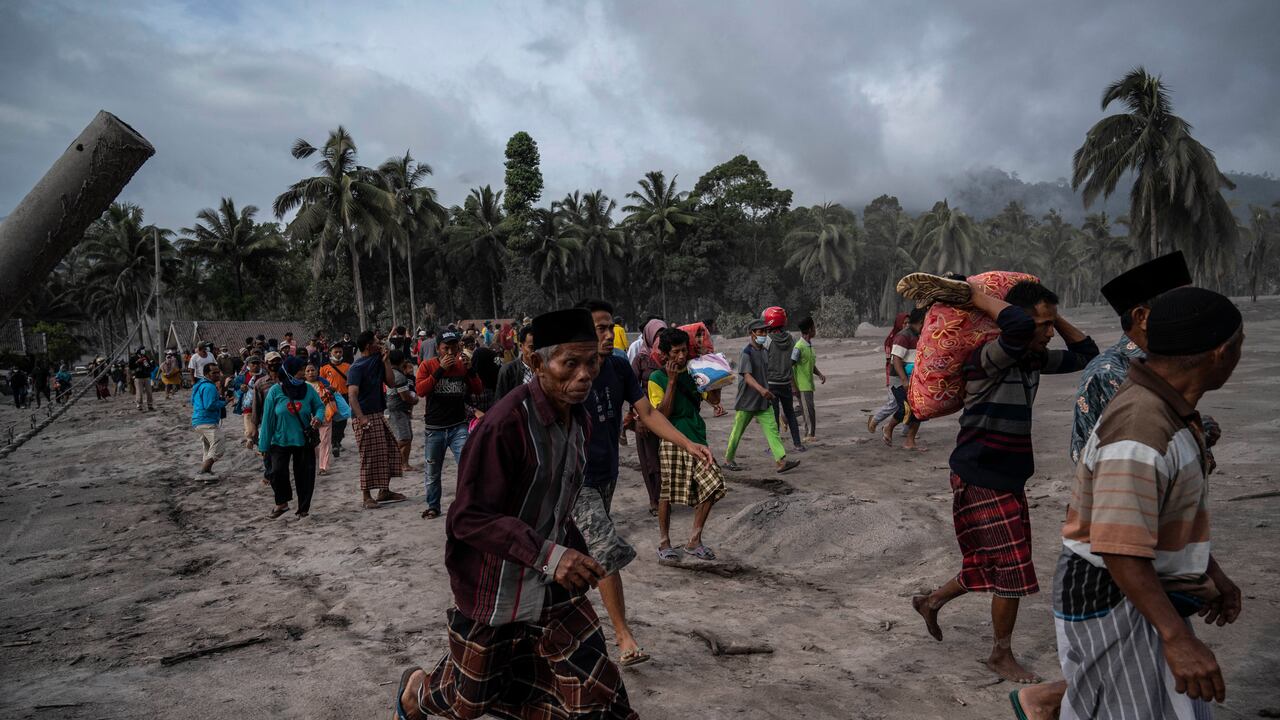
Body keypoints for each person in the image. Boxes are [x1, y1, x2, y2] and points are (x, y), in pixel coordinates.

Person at [392, 308, 637, 720]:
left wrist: (575, 555)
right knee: (472, 698)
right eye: (570, 364)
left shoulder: (581, 421)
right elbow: (467, 518)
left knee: (598, 692)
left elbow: (558, 504)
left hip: (554, 585)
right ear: (538, 363)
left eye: (591, 363)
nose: (584, 376)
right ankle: (415, 692)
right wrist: (549, 555)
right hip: (497, 583)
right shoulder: (504, 426)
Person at [1012, 287, 1245, 720]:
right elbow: (1118, 546)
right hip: (1112, 589)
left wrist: (1210, 570)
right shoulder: (1142, 428)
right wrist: (1177, 637)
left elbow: (1162, 512)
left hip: (1138, 586)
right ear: (1221, 353)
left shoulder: (1170, 410)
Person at [910, 277, 1098, 684]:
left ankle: (931, 601)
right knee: (1013, 569)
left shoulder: (1031, 359)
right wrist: (977, 298)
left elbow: (1087, 354)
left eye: (1051, 326)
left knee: (986, 562)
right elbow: (1015, 327)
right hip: (980, 472)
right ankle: (1000, 654)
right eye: (1043, 325)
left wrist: (1052, 317)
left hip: (1007, 475)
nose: (1049, 333)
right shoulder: (987, 357)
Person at [577, 300, 715, 668]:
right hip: (573, 480)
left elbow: (649, 413)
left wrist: (688, 444)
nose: (609, 335)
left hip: (606, 475)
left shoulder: (618, 367)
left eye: (610, 327)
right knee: (605, 547)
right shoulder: (570, 372)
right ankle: (623, 636)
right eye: (599, 328)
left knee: (577, 551)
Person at [1070, 251, 1196, 463]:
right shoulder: (1110, 371)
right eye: (1182, 307)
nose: (1194, 315)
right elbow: (1147, 444)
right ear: (1142, 317)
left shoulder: (1163, 361)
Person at [649, 326, 729, 561]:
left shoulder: (695, 372)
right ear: (665, 354)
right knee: (667, 493)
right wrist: (672, 382)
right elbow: (662, 415)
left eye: (684, 350)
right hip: (672, 439)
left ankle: (694, 540)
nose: (681, 356)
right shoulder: (656, 378)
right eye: (675, 352)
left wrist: (713, 372)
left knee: (714, 484)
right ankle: (664, 542)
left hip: (697, 437)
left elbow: (713, 399)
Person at [414, 329, 483, 519]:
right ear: (438, 348)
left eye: (454, 347)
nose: (450, 352)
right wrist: (440, 370)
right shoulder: (427, 365)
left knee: (467, 466)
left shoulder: (462, 366)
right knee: (432, 471)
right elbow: (420, 390)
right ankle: (433, 506)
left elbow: (478, 389)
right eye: (446, 348)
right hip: (434, 428)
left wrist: (471, 370)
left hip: (458, 426)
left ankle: (468, 504)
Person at [724, 319, 800, 474]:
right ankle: (728, 459)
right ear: (752, 333)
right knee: (737, 431)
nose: (764, 334)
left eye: (765, 331)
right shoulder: (746, 353)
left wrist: (768, 390)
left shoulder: (765, 352)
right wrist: (762, 390)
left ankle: (780, 461)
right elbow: (747, 376)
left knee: (772, 429)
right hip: (747, 400)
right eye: (761, 332)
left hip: (763, 401)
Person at [346, 331, 409, 510]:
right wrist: (361, 418)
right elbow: (352, 396)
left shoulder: (378, 360)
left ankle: (384, 491)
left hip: (378, 413)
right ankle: (366, 496)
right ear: (368, 345)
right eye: (376, 341)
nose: (380, 343)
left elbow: (391, 383)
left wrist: (386, 361)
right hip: (364, 416)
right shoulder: (356, 367)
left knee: (389, 451)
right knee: (368, 456)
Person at [259, 356, 325, 519]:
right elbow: (267, 420)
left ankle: (303, 509)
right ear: (288, 372)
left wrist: (318, 417)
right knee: (276, 472)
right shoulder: (275, 391)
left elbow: (319, 406)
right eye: (299, 371)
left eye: (303, 370)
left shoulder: (308, 390)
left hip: (303, 439)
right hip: (279, 440)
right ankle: (282, 503)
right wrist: (263, 446)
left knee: (305, 475)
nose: (303, 374)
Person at [630, 318, 669, 511]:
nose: (660, 339)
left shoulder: (670, 356)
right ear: (649, 337)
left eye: (663, 335)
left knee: (665, 459)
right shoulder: (641, 358)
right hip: (644, 415)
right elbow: (631, 389)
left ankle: (664, 498)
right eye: (657, 336)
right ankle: (654, 500)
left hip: (666, 413)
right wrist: (637, 417)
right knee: (650, 460)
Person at [880, 307, 925, 450]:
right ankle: (888, 427)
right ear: (921, 321)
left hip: (914, 378)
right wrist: (904, 380)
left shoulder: (920, 335)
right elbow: (896, 360)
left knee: (919, 410)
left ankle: (910, 441)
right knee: (905, 408)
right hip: (900, 380)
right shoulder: (903, 336)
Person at [763, 310, 806, 452]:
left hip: (771, 384)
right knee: (790, 414)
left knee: (774, 417)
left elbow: (763, 361)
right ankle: (798, 444)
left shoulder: (767, 340)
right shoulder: (791, 338)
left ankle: (774, 447)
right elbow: (792, 361)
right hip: (786, 383)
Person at [868, 312, 910, 434]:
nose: (907, 325)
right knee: (894, 404)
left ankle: (907, 430)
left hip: (907, 374)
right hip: (894, 376)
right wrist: (889, 380)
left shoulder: (909, 336)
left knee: (909, 402)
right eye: (904, 323)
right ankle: (875, 419)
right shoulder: (892, 339)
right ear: (899, 324)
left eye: (908, 323)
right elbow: (891, 362)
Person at [384, 349, 420, 474]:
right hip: (397, 410)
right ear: (402, 361)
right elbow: (405, 397)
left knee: (408, 437)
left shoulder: (393, 373)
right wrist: (415, 400)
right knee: (404, 438)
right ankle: (388, 457)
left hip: (400, 410)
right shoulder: (399, 376)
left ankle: (404, 464)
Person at [191, 363, 228, 476]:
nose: (217, 375)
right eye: (214, 373)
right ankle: (204, 470)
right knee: (219, 443)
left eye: (218, 372)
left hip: (198, 420)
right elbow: (209, 405)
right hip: (206, 421)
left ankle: (207, 472)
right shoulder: (209, 387)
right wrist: (224, 402)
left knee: (208, 447)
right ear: (207, 374)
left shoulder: (200, 385)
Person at [793, 316, 825, 443]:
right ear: (810, 329)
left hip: (809, 384)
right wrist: (793, 386)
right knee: (809, 411)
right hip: (802, 385)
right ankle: (809, 435)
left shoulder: (809, 345)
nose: (815, 330)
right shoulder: (799, 347)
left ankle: (784, 417)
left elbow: (809, 364)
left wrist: (819, 374)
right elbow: (791, 365)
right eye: (814, 327)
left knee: (806, 408)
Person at [304, 363, 337, 475]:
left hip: (325, 417)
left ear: (317, 371)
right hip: (309, 419)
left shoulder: (324, 383)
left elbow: (332, 397)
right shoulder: (302, 387)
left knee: (325, 442)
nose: (310, 373)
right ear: (304, 374)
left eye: (312, 370)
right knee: (313, 443)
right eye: (308, 371)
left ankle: (323, 467)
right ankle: (313, 463)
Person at [319, 346, 351, 458]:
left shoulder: (348, 366)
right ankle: (334, 442)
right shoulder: (324, 368)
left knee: (343, 419)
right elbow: (320, 383)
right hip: (331, 397)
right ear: (330, 353)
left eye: (340, 352)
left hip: (344, 396)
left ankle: (338, 439)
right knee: (333, 419)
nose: (338, 354)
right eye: (336, 352)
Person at [494, 324, 535, 401]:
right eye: (531, 347)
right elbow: (500, 402)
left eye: (539, 347)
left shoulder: (547, 369)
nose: (535, 351)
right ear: (521, 346)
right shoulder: (508, 371)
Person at [238, 355, 265, 448]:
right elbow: (235, 387)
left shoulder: (264, 376)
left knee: (261, 428)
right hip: (248, 406)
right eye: (253, 363)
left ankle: (259, 444)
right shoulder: (243, 376)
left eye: (257, 363)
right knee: (249, 430)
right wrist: (241, 388)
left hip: (261, 406)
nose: (255, 365)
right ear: (248, 365)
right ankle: (250, 439)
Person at [129, 348, 155, 412]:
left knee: (149, 391)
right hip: (138, 377)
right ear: (138, 352)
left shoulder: (146, 357)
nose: (143, 351)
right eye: (142, 350)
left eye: (143, 350)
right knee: (139, 392)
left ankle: (150, 405)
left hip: (147, 376)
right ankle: (139, 405)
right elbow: (130, 367)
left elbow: (150, 366)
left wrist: (149, 365)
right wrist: (137, 362)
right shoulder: (133, 358)